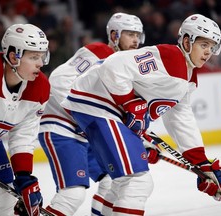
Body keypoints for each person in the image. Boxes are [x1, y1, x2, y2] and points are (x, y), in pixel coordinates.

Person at [61, 14, 221, 215]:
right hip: (98, 104)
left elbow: (180, 118)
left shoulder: (189, 77)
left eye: (212, 46)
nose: (208, 52)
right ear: (186, 41)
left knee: (121, 184)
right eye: (203, 44)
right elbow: (112, 66)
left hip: (102, 108)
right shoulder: (171, 57)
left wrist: (201, 162)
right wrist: (130, 102)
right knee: (137, 181)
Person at [38, 12, 148, 216]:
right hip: (63, 126)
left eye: (138, 35)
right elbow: (59, 80)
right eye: (130, 34)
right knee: (72, 195)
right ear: (114, 35)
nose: (135, 41)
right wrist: (81, 114)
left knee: (112, 180)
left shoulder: (127, 66)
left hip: (87, 132)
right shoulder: (99, 51)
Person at [0, 23, 50, 216]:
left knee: (6, 207)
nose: (40, 63)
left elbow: (23, 134)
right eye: (34, 57)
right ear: (13, 56)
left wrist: (24, 176)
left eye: (42, 56)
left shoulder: (40, 88)